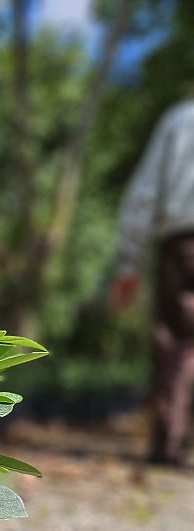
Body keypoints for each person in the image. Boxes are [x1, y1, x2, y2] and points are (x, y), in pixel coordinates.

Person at [109, 98, 194, 467]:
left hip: (182, 243)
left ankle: (167, 445)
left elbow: (144, 195)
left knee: (176, 340)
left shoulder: (180, 119)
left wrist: (130, 262)